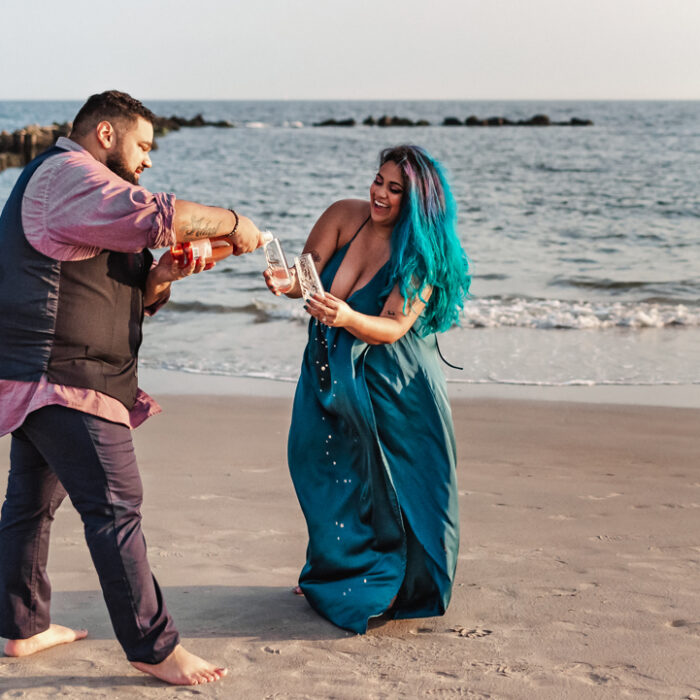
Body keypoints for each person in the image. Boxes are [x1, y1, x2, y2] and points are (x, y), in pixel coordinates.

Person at [0, 90, 265, 685]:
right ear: (104, 135)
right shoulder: (70, 174)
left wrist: (162, 275)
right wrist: (234, 223)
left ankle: (22, 627)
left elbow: (118, 290)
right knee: (116, 507)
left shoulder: (80, 193)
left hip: (50, 378)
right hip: (67, 380)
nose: (147, 160)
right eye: (143, 145)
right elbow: (160, 213)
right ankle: (153, 646)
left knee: (30, 505)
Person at [264, 144, 470, 633]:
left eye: (394, 189)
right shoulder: (343, 216)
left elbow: (395, 326)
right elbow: (306, 275)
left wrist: (348, 315)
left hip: (395, 381)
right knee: (318, 460)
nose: (379, 193)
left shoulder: (420, 253)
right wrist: (284, 281)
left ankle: (393, 579)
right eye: (378, 180)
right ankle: (335, 567)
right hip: (330, 366)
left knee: (392, 479)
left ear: (416, 200)